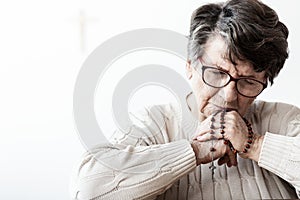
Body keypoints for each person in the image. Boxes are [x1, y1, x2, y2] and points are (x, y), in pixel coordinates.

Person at [70, 0, 300, 199]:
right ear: (190, 66)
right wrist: (194, 151)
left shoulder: (284, 120)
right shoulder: (154, 124)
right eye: (217, 73)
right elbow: (89, 189)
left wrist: (255, 144)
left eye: (248, 82)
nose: (229, 95)